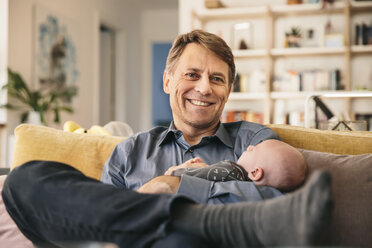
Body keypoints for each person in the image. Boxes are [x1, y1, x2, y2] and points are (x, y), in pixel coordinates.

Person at [2, 30, 333, 248]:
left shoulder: (253, 141)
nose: (204, 88)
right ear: (167, 81)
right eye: (192, 75)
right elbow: (97, 216)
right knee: (24, 179)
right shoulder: (130, 151)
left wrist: (177, 186)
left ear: (228, 92)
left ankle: (185, 223)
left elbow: (277, 206)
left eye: (217, 79)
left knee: (178, 240)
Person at [168, 139, 307, 192]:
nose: (250, 146)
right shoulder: (239, 181)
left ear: (255, 173)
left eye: (255, 149)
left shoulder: (230, 170)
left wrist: (180, 168)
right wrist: (206, 169)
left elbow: (176, 179)